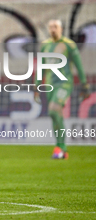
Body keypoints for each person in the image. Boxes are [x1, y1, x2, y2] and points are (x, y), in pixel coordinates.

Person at [35, 19, 90, 159]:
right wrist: (36, 85)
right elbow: (40, 67)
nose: (53, 29)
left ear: (61, 29)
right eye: (51, 26)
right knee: (54, 115)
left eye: (56, 26)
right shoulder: (45, 46)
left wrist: (84, 84)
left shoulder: (69, 45)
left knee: (53, 109)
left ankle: (61, 147)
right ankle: (60, 148)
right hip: (50, 84)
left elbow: (78, 65)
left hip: (64, 84)